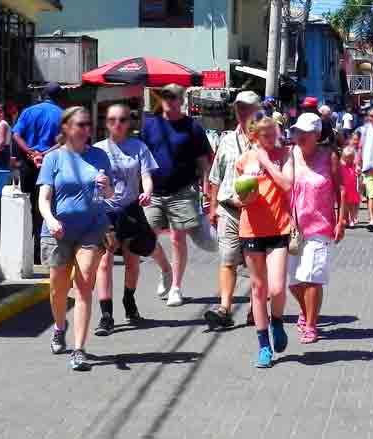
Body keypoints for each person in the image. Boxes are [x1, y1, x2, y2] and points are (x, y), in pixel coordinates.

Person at [37, 106, 113, 371]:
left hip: (92, 228)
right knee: (58, 288)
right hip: (58, 231)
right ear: (67, 128)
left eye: (88, 125)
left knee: (83, 285)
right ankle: (59, 327)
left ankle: (79, 349)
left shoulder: (99, 157)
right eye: (80, 125)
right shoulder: (54, 159)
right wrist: (51, 219)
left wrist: (107, 188)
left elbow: (109, 196)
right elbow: (44, 198)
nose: (86, 130)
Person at [140, 84, 212, 307]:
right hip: (154, 190)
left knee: (177, 238)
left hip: (182, 190)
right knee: (146, 237)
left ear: (182, 101)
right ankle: (165, 268)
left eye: (174, 98)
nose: (169, 101)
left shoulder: (192, 127)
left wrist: (207, 190)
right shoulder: (150, 125)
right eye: (165, 97)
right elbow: (140, 158)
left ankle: (176, 288)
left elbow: (203, 162)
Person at [93, 104, 159, 335]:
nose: (117, 123)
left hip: (131, 209)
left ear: (128, 122)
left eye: (122, 119)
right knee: (104, 261)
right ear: (106, 123)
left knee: (132, 260)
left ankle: (128, 299)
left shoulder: (138, 147)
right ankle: (106, 315)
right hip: (106, 211)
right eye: (112, 119)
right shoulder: (97, 150)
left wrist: (147, 192)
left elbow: (146, 175)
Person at [235, 117, 292, 367]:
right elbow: (234, 196)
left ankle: (277, 321)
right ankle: (263, 347)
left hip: (279, 228)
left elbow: (287, 184)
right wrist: (243, 200)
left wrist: (267, 162)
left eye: (274, 134)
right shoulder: (243, 160)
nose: (271, 139)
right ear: (254, 137)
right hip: (251, 230)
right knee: (258, 289)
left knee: (277, 288)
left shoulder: (286, 154)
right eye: (265, 135)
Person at [288, 113, 347, 345]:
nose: (299, 136)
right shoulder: (290, 155)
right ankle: (306, 312)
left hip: (320, 225)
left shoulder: (329, 156)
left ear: (317, 135)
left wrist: (341, 220)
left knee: (311, 277)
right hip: (293, 226)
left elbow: (341, 189)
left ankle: (311, 326)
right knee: (294, 282)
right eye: (297, 132)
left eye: (305, 133)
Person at [205, 91, 261, 329]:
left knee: (255, 264)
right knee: (227, 258)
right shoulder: (227, 139)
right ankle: (225, 308)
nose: (242, 112)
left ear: (257, 109)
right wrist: (213, 205)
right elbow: (216, 175)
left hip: (258, 212)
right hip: (229, 209)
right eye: (239, 107)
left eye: (247, 107)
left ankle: (254, 309)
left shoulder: (266, 138)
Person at [13, 82, 64, 264]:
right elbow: (63, 141)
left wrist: (30, 153)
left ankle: (25, 251)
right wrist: (43, 154)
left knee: (27, 207)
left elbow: (16, 135)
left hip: (28, 165)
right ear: (59, 97)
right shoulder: (62, 115)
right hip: (50, 165)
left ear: (43, 95)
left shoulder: (28, 112)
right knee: (46, 207)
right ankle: (41, 252)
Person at [340, 146, 361, 227]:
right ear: (343, 157)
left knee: (352, 205)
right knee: (344, 206)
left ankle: (352, 219)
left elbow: (358, 173)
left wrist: (358, 171)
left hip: (352, 188)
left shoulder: (354, 165)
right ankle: (346, 219)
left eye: (350, 158)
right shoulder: (341, 165)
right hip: (344, 189)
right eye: (346, 158)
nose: (348, 160)